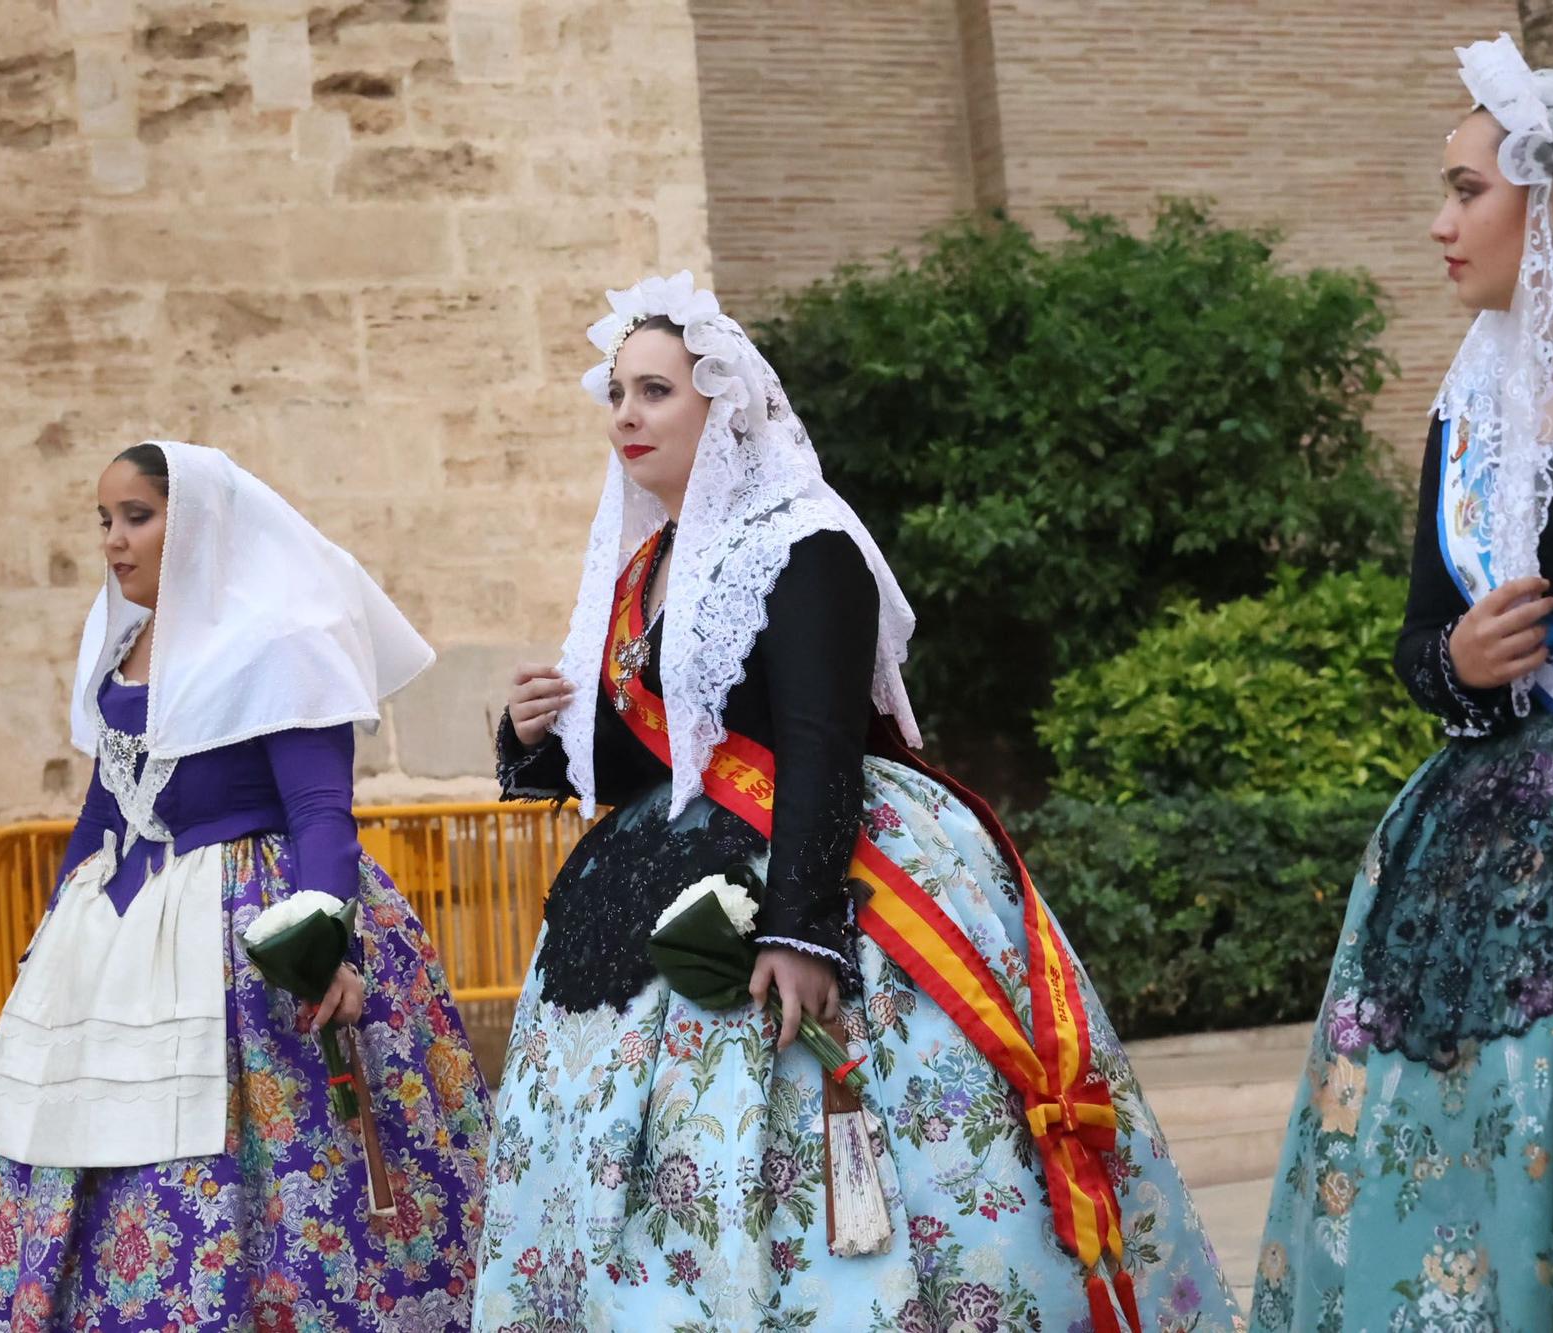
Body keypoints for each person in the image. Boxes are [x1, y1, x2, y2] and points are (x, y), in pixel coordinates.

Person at [475, 274, 1240, 1333]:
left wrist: (800, 927)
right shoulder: (641, 571)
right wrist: (526, 738)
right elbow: (633, 758)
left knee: (833, 1162)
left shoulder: (807, 545)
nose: (624, 416)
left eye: (652, 390)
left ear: (722, 404)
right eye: (615, 393)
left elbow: (818, 739)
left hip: (821, 879)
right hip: (654, 896)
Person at [1251, 35, 1553, 1330]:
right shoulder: (1465, 411)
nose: (1440, 225)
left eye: (1464, 191)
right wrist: (1460, 661)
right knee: (1447, 1154)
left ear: (1550, 200)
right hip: (1473, 852)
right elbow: (1417, 642)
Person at [0, 441, 492, 1331]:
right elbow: (102, 812)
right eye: (105, 521)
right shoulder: (122, 645)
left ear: (195, 523)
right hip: (121, 926)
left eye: (138, 517)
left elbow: (321, 809)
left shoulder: (277, 641)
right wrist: (54, 929)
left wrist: (328, 942)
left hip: (246, 928)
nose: (115, 542)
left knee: (275, 1181)